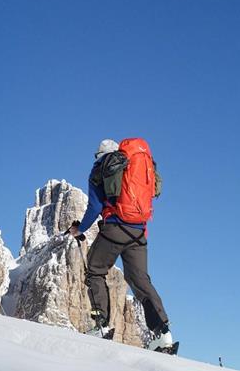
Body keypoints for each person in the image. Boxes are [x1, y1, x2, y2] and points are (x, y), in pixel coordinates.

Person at [69, 138, 177, 354]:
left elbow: (95, 207)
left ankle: (101, 325)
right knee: (140, 280)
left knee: (95, 269)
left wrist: (80, 229)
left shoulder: (101, 168)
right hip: (139, 232)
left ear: (100, 155)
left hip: (116, 227)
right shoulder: (133, 166)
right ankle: (163, 333)